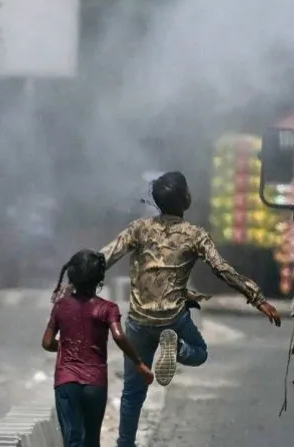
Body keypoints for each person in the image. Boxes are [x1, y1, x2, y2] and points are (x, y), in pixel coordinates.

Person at [66, 171, 282, 447]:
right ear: (186, 199)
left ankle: (125, 444)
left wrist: (73, 283)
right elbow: (222, 270)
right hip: (173, 319)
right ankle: (179, 350)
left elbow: (103, 257)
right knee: (200, 352)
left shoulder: (139, 229)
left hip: (138, 321)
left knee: (132, 393)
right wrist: (258, 298)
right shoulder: (195, 235)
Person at [43, 249, 154, 447]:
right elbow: (119, 336)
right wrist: (138, 363)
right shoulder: (107, 308)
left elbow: (46, 343)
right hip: (95, 382)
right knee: (92, 439)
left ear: (72, 277)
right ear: (99, 279)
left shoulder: (60, 307)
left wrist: (67, 346)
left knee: (72, 439)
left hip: (66, 382)